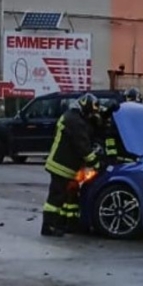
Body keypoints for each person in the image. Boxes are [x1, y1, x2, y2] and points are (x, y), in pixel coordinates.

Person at [41, 93, 102, 237]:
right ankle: (48, 227)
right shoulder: (75, 121)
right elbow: (83, 147)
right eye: (90, 112)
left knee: (67, 196)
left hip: (65, 165)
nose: (91, 115)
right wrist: (96, 163)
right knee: (56, 198)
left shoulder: (73, 117)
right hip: (61, 166)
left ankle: (63, 224)